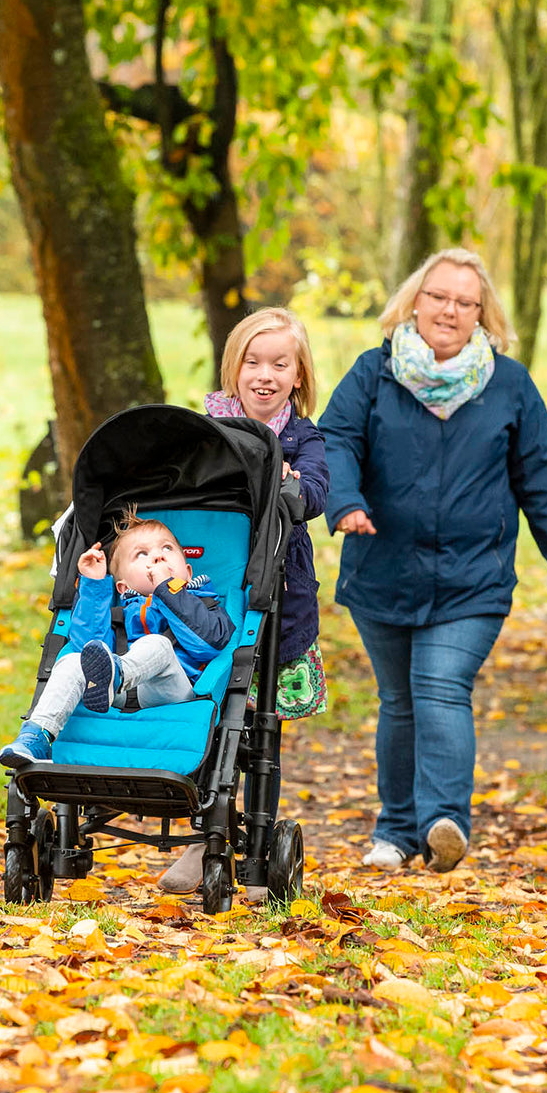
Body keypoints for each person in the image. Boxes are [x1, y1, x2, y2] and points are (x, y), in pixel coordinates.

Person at [319, 247, 547, 874]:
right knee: (398, 699)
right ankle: (394, 829)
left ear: (481, 315)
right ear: (414, 301)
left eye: (465, 302)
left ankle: (443, 822)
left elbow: (545, 481)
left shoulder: (509, 386)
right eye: (439, 296)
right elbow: (335, 441)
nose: (450, 309)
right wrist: (344, 502)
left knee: (440, 686)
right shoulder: (374, 373)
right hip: (381, 567)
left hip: (474, 578)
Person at [146, 308, 331, 894]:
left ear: (298, 375)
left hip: (273, 609)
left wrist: (291, 483)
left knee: (256, 729)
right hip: (206, 600)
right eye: (253, 362)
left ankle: (254, 843)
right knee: (207, 717)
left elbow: (316, 492)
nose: (265, 374)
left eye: (280, 363)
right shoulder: (206, 434)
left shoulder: (303, 438)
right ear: (234, 369)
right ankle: (205, 837)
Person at [0, 511, 237, 767]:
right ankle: (36, 735)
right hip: (114, 694)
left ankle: (115, 673)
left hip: (171, 692)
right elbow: (85, 646)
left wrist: (168, 589)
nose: (157, 556)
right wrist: (93, 585)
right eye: (141, 554)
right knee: (71, 660)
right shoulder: (119, 614)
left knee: (156, 643)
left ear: (187, 572)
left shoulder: (204, 602)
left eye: (167, 548)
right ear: (122, 586)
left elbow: (208, 644)